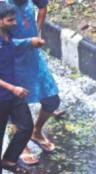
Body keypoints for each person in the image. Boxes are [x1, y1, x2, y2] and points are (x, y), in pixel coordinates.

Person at [0, 2, 43, 174]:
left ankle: (9, 159)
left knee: (26, 126)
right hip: (5, 93)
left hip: (14, 92)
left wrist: (29, 43)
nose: (15, 22)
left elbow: (15, 46)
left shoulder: (8, 35)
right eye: (10, 20)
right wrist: (12, 88)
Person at [11, 0, 59, 164]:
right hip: (11, 62)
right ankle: (21, 144)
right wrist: (28, 42)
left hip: (33, 57)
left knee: (52, 99)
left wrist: (37, 31)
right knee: (17, 105)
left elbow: (43, 6)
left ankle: (36, 131)